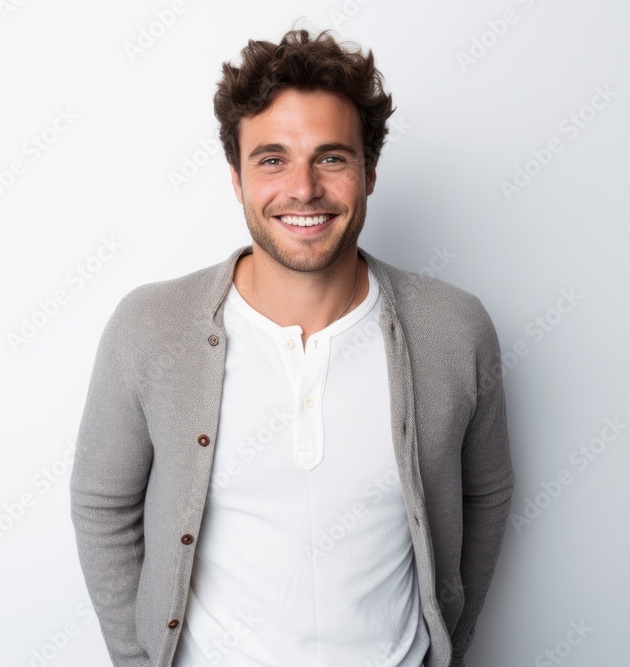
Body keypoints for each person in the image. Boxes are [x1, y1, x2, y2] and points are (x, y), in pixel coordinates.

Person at [70, 27, 514, 667]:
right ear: (236, 177)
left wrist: (446, 647)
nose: (303, 189)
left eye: (332, 158)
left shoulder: (454, 328)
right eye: (272, 159)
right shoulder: (151, 326)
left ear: (370, 172)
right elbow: (102, 505)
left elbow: (486, 495)